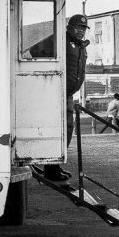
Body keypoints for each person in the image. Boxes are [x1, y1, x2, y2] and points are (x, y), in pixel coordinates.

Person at [43, 14, 90, 181]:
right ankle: (51, 169)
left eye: (84, 28)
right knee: (57, 130)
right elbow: (36, 52)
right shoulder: (60, 39)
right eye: (78, 27)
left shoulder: (81, 46)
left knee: (67, 130)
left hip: (68, 95)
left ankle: (54, 166)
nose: (81, 31)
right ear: (69, 27)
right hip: (56, 94)